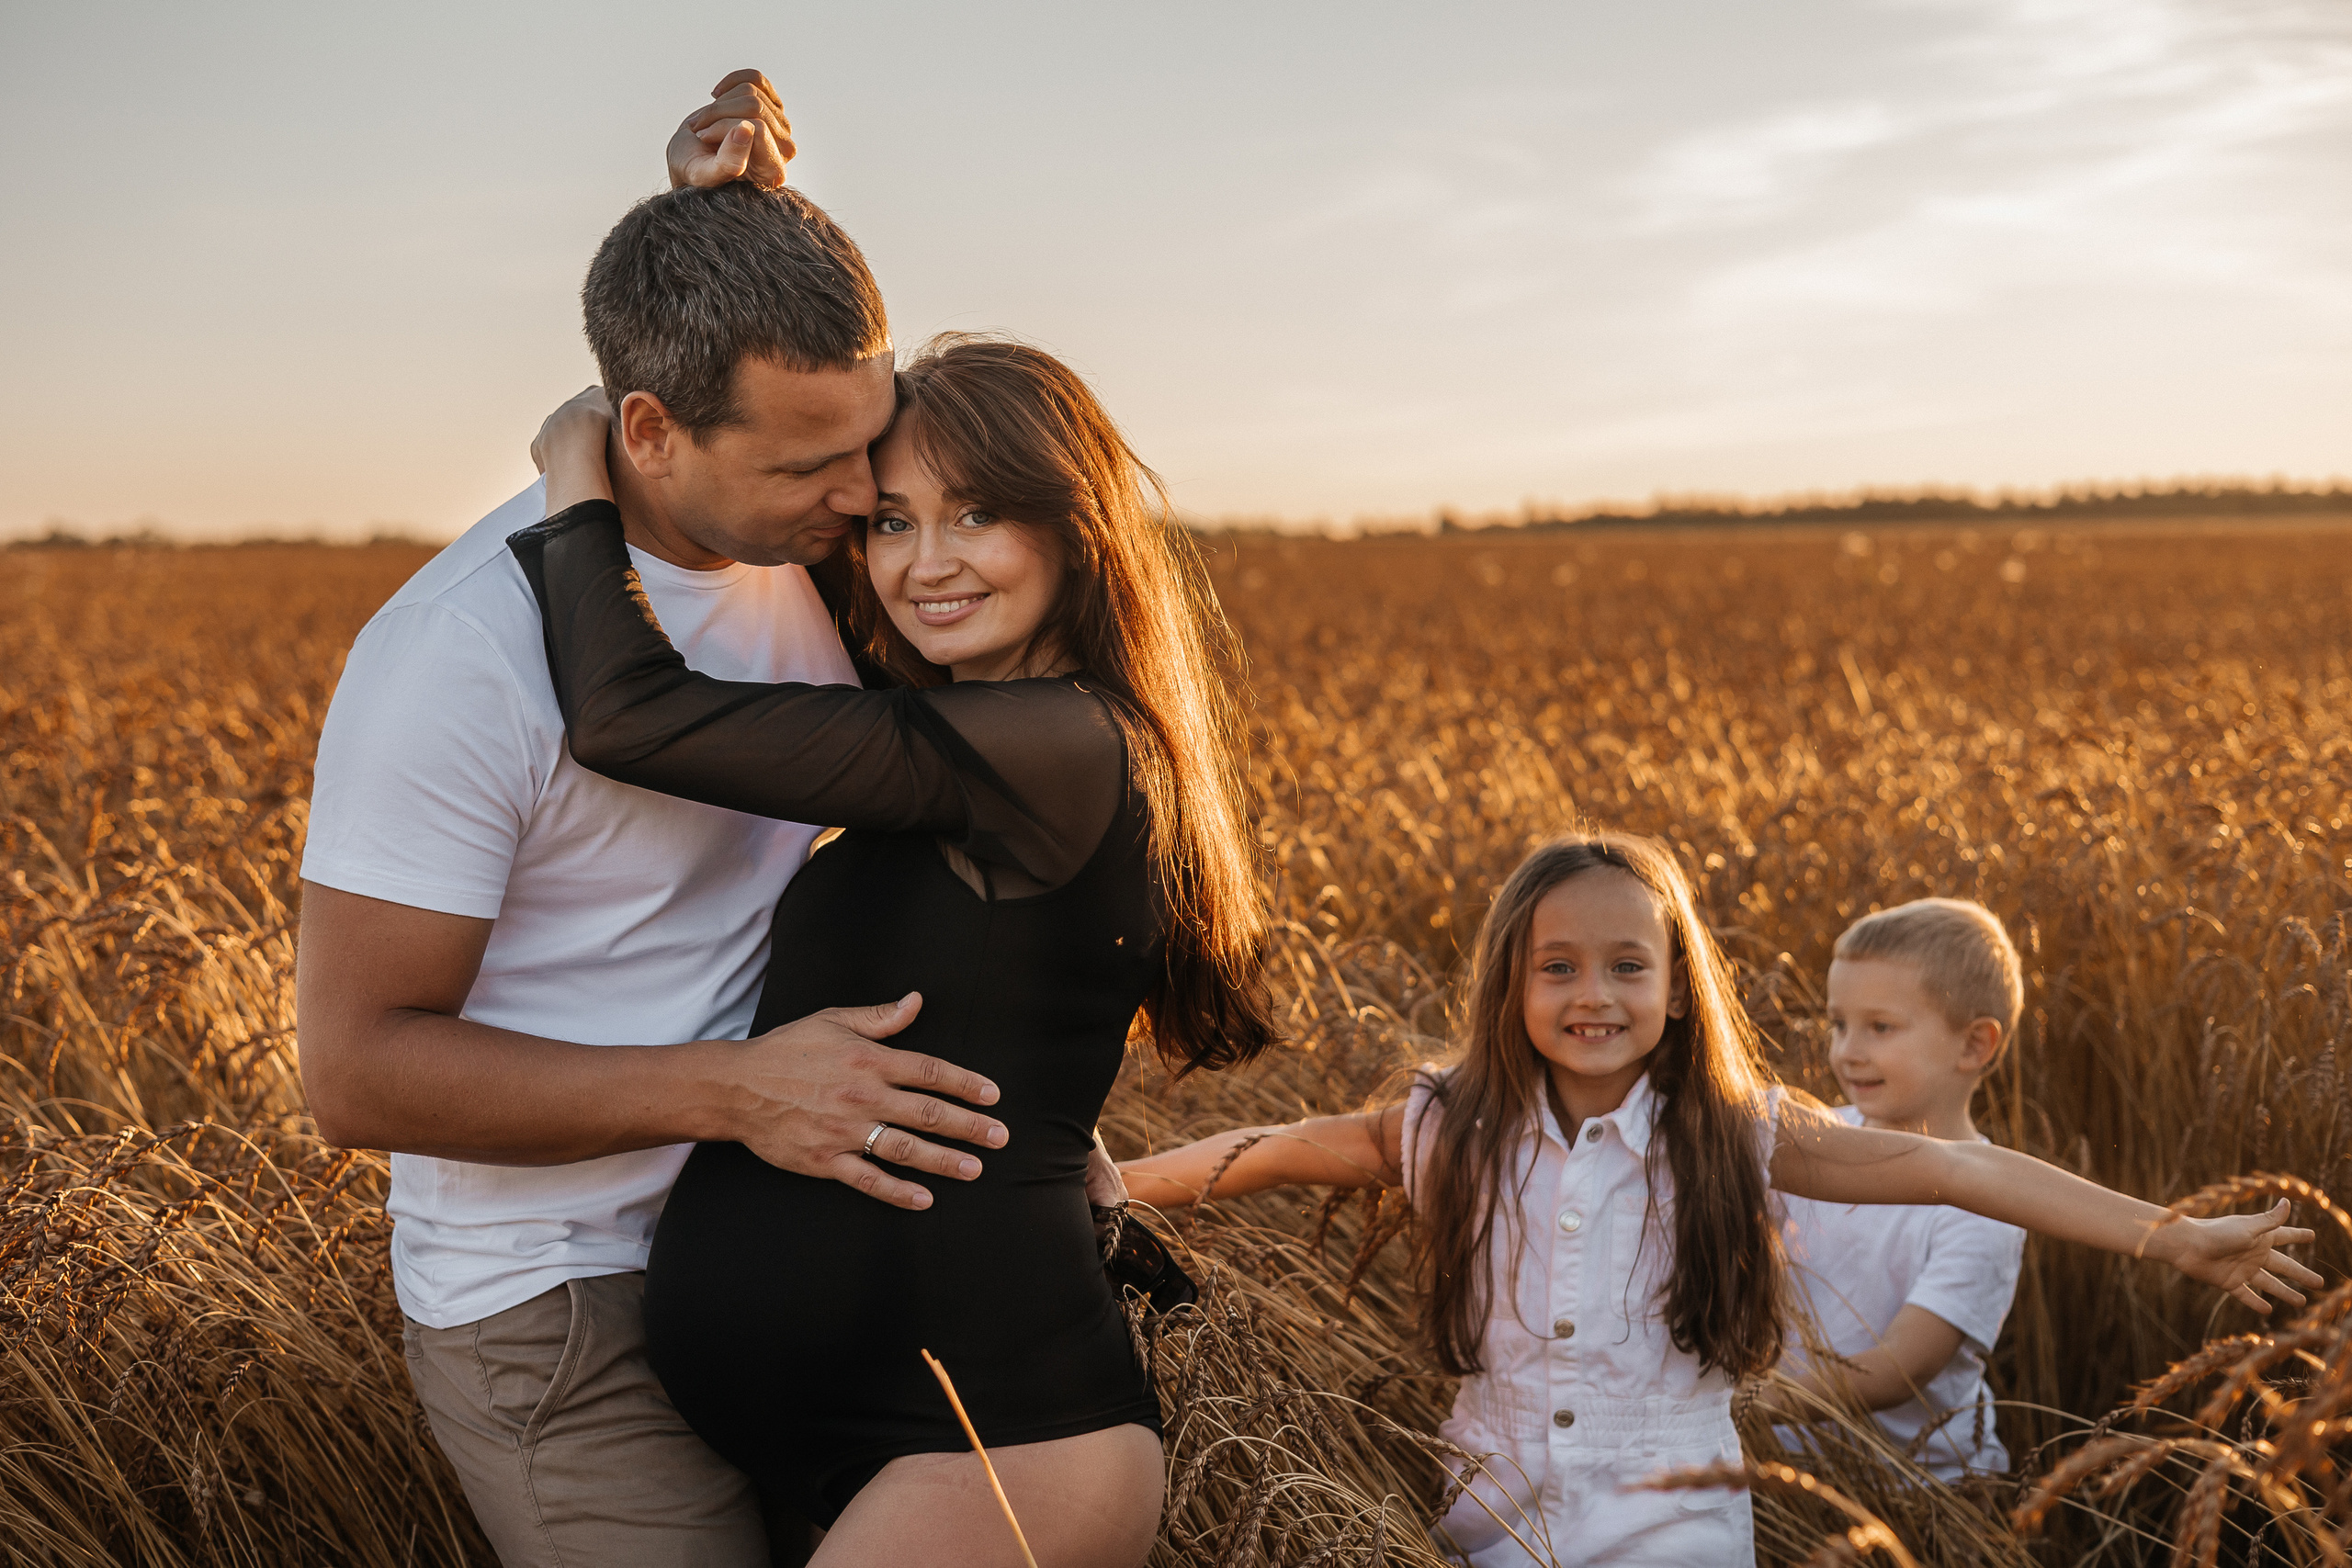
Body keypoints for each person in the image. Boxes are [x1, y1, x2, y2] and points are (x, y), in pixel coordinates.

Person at [296, 73, 1039, 1567]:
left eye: (868, 439)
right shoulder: (458, 655)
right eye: (806, 467)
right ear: (647, 429)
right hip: (557, 1300)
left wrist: (743, 206)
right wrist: (738, 1091)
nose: (865, 493)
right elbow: (357, 1073)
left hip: (793, 1240)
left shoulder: (832, 534)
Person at [514, 329, 1275, 1566]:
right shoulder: (972, 718)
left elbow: (626, 714)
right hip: (908, 1434)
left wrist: (575, 470)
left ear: (1072, 528)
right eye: (892, 520)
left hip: (1000, 1439)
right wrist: (744, 212)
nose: (925, 564)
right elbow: (801, 487)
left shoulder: (1058, 741)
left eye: (975, 515)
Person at [1117, 833, 2320, 1567]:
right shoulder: (1452, 1125)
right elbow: (1271, 1147)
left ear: (1681, 986)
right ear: (1512, 983)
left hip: (1674, 1520)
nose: (1597, 992)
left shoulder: (1737, 1135)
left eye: (1630, 963)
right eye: (1559, 966)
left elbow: (1963, 1169)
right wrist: (1109, 1187)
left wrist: (2169, 1232)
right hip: (1487, 1516)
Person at [1764, 898, 2027, 1481]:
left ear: (1974, 1046)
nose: (1848, 1051)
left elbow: (1902, 1367)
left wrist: (1758, 1408)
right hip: (1794, 1464)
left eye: (1880, 1027)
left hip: (1921, 1485)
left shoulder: (1985, 1207)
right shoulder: (1814, 1140)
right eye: (1838, 1024)